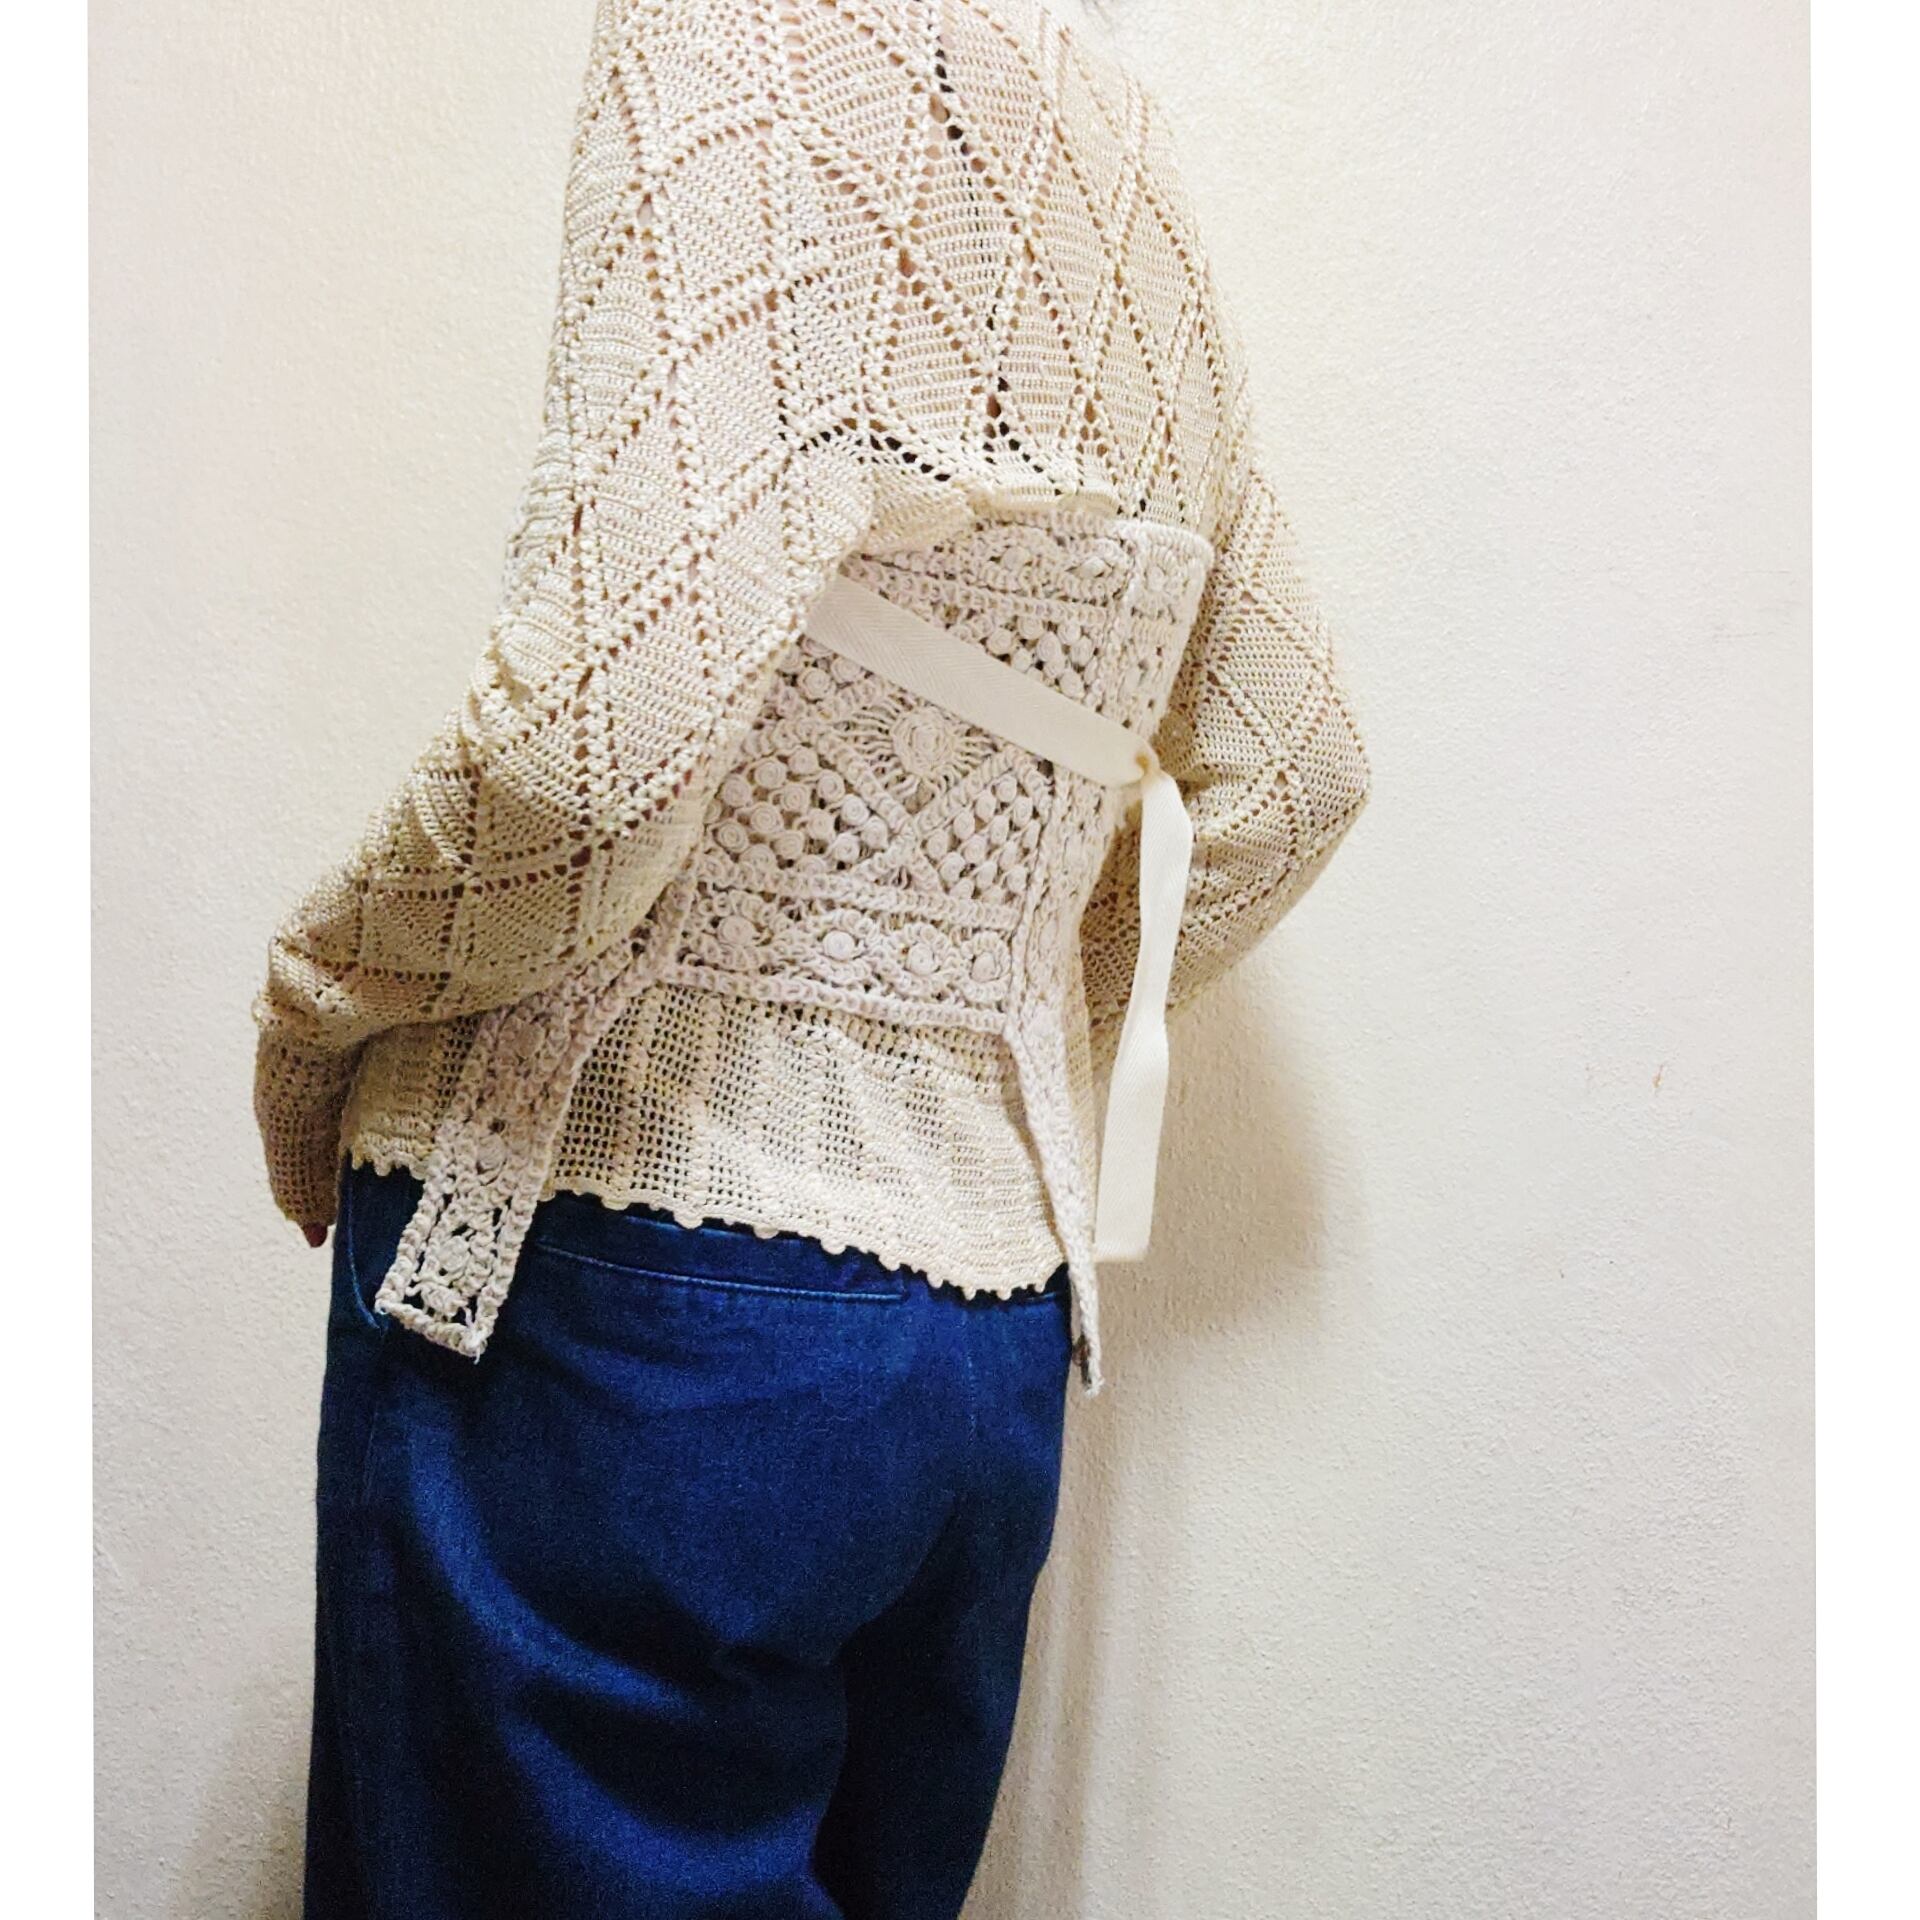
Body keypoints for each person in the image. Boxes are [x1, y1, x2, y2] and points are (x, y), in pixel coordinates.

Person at [255, 1, 1369, 1914]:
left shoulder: (725, 37)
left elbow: (587, 756)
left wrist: (314, 1007)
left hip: (625, 1309)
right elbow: (1296, 770)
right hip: (977, 1352)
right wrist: (976, 1010)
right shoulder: (1116, 141)